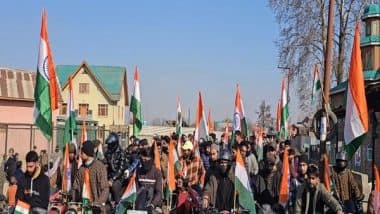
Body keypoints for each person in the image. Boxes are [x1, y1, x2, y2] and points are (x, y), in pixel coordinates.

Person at [72, 140, 109, 213]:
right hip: (82, 208)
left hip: (96, 209)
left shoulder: (100, 168)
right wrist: (73, 201)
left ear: (87, 153)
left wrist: (98, 203)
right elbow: (75, 187)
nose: (80, 155)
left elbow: (105, 189)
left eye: (82, 153)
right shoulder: (81, 169)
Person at [135, 147, 163, 213]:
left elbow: (159, 192)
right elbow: (135, 190)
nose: (144, 161)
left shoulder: (157, 172)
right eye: (142, 159)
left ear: (151, 159)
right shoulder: (138, 171)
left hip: (153, 205)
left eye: (146, 159)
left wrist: (152, 205)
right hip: (139, 203)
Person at [104, 132, 129, 203]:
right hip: (108, 177)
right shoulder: (107, 152)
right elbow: (105, 165)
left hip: (119, 178)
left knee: (115, 186)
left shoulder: (122, 153)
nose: (109, 146)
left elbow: (120, 169)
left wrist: (112, 179)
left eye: (110, 145)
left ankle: (118, 204)